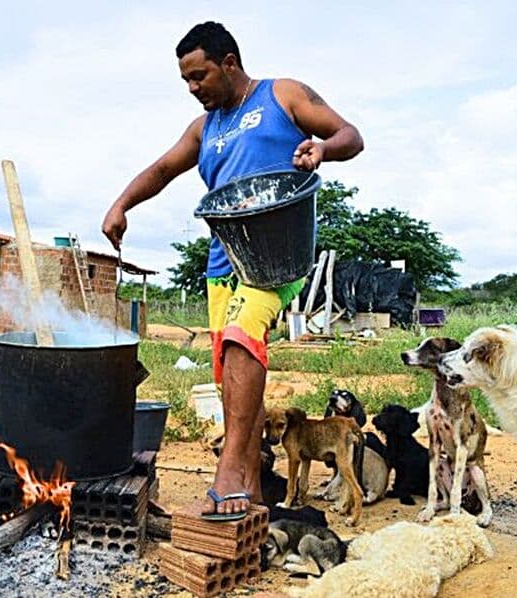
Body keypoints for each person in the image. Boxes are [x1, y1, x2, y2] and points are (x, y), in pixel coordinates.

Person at [102, 21, 363, 520]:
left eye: (199, 76)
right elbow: (161, 170)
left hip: (276, 255)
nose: (193, 88)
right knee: (232, 377)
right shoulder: (205, 129)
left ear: (229, 63)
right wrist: (121, 204)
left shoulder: (281, 96)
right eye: (186, 81)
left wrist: (324, 149)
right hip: (225, 262)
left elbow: (350, 135)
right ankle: (256, 497)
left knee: (245, 337)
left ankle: (229, 469)